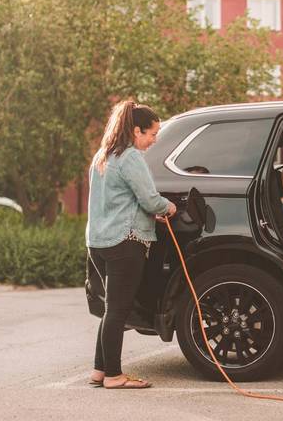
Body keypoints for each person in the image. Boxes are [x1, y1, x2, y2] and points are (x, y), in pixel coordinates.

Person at [86, 100, 176, 390]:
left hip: (98, 242)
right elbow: (150, 199)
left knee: (111, 308)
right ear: (136, 130)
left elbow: (116, 200)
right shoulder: (131, 157)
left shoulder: (102, 155)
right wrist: (168, 207)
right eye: (151, 134)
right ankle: (114, 375)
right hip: (126, 242)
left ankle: (99, 371)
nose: (153, 140)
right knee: (118, 311)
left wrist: (150, 212)